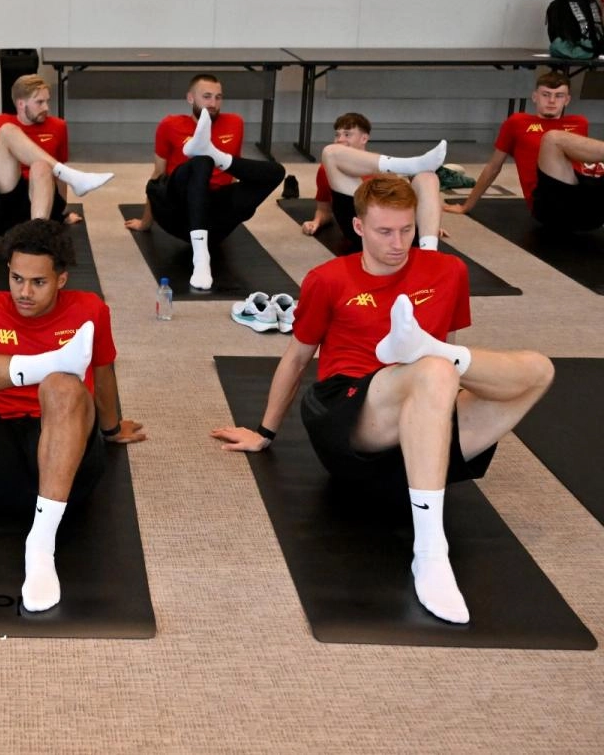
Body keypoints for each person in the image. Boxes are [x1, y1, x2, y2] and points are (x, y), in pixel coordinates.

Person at [211, 175, 554, 624]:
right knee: (433, 367)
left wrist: (439, 388)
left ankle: (422, 351)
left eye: (407, 230)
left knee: (538, 371)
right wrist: (264, 432)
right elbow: (296, 359)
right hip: (347, 413)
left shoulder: (448, 272)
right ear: (358, 228)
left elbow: (451, 368)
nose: (397, 243)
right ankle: (430, 554)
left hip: (419, 418)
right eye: (384, 231)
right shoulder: (328, 278)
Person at [0, 219, 145, 613]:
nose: (24, 292)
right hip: (0, 460)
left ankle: (41, 543)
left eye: (38, 282)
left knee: (62, 385)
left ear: (62, 279)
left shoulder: (90, 311)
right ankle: (42, 364)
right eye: (17, 279)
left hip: (65, 463)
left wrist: (112, 427)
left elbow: (102, 373)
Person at [125, 74, 287, 291]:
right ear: (190, 98)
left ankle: (211, 153)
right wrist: (146, 222)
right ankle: (201, 260)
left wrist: (239, 202)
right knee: (201, 162)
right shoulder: (170, 125)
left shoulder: (234, 123)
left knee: (276, 171)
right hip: (177, 208)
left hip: (213, 216)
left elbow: (237, 171)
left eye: (218, 97)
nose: (213, 103)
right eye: (207, 96)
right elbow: (158, 173)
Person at [444, 72, 604, 231]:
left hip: (585, 201)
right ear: (535, 97)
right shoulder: (518, 122)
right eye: (546, 95)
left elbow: (584, 163)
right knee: (552, 139)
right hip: (550, 204)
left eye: (559, 95)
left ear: (567, 100)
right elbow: (493, 167)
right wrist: (466, 206)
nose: (552, 101)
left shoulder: (579, 122)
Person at [0, 74, 114, 234]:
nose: (46, 107)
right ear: (21, 103)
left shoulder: (58, 126)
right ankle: (75, 178)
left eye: (47, 101)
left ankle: (35, 239)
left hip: (40, 201)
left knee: (41, 166)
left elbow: (59, 179)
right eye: (40, 102)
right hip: (5, 207)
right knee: (7, 130)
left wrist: (60, 213)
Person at [303, 112, 449, 251]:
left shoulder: (382, 166)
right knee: (330, 152)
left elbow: (408, 201)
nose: (340, 139)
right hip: (362, 223)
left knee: (428, 177)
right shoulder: (326, 170)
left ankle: (429, 250)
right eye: (337, 135)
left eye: (347, 134)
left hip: (397, 224)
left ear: (364, 138)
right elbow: (324, 210)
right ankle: (412, 164)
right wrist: (316, 222)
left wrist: (428, 222)